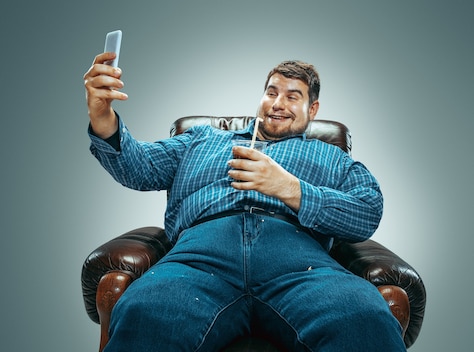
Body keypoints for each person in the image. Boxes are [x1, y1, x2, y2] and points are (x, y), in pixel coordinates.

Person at [83, 52, 406, 351]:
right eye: (271, 92)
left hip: (300, 265)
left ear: (313, 109)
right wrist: (103, 116)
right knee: (145, 312)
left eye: (293, 96)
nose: (278, 103)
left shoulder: (330, 157)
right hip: (199, 260)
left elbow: (368, 209)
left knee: (364, 317)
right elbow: (140, 167)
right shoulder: (202, 140)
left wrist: (289, 189)